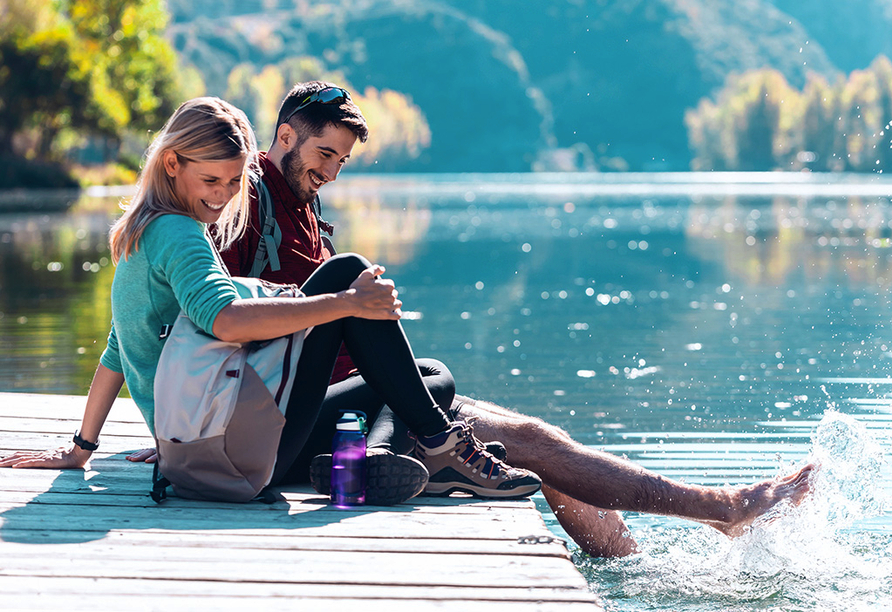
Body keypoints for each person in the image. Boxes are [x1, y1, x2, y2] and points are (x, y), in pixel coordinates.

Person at [219, 81, 814, 557]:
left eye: (342, 160)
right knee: (528, 441)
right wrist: (187, 423)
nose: (332, 170)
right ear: (285, 134)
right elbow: (199, 313)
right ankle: (724, 509)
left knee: (527, 432)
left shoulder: (301, 203)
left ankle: (632, 565)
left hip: (362, 402)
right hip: (309, 420)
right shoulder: (245, 204)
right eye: (325, 154)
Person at [0, 96, 542, 505]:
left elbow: (119, 350)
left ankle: (374, 457)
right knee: (350, 279)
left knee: (428, 373)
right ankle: (438, 447)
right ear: (171, 165)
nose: (222, 195)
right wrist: (346, 303)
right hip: (236, 453)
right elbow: (228, 320)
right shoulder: (179, 234)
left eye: (235, 182)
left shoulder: (139, 235)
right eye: (210, 179)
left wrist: (80, 448)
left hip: (201, 450)